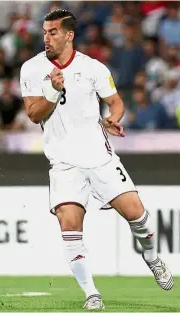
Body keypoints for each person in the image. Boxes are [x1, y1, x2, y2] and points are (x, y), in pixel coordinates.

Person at [19, 9, 174, 310]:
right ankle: (92, 294)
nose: (46, 38)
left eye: (52, 32)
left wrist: (114, 119)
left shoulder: (94, 68)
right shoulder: (31, 69)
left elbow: (115, 103)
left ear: (69, 35)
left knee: (138, 216)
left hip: (98, 157)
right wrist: (52, 89)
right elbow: (33, 113)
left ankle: (152, 256)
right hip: (63, 163)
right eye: (44, 32)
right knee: (70, 226)